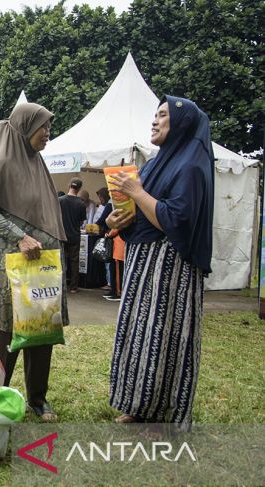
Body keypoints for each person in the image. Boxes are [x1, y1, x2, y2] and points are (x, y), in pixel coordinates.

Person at [106, 96, 214, 430]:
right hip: (143, 264)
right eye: (154, 115)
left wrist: (137, 193)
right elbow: (145, 214)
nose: (154, 121)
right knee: (139, 333)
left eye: (163, 116)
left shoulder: (192, 167)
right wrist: (117, 220)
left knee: (164, 336)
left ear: (181, 124)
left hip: (171, 271)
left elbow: (177, 220)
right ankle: (137, 404)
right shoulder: (156, 163)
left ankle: (165, 411)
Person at [0, 102, 68, 422]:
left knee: (41, 329)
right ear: (26, 127)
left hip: (42, 266)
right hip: (12, 264)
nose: (48, 135)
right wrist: (19, 236)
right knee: (10, 331)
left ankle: (38, 398)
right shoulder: (4, 163)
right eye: (44, 128)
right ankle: (0, 393)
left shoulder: (37, 164)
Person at [58, 178, 86, 293]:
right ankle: (73, 287)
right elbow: (81, 221)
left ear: (69, 185)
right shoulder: (81, 203)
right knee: (74, 262)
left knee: (61, 261)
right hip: (75, 236)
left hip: (62, 235)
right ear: (79, 188)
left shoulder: (60, 200)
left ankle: (61, 285)